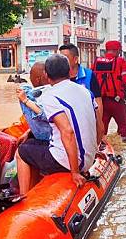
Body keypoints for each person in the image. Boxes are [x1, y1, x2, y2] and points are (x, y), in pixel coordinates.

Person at [15, 54, 102, 195]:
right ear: (69, 71)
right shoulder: (86, 92)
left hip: (68, 162)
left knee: (22, 151)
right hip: (89, 159)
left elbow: (67, 132)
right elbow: (101, 127)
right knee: (32, 144)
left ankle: (23, 196)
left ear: (46, 74)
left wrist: (75, 172)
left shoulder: (50, 96)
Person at [59, 43, 104, 144]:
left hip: (86, 124)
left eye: (65, 58)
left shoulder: (89, 75)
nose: (61, 62)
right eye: (60, 58)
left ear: (75, 59)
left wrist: (99, 125)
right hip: (66, 125)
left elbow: (98, 102)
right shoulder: (58, 77)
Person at [92, 40, 126, 142]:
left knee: (102, 126)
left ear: (106, 50)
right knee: (123, 125)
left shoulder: (97, 62)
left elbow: (91, 80)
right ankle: (123, 146)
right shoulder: (121, 61)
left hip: (101, 102)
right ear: (118, 50)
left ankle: (102, 146)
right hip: (117, 101)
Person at [15, 61, 51, 141]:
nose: (30, 79)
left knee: (24, 88)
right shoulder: (56, 91)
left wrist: (25, 100)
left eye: (31, 76)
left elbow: (45, 115)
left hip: (48, 139)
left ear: (37, 79)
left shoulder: (31, 93)